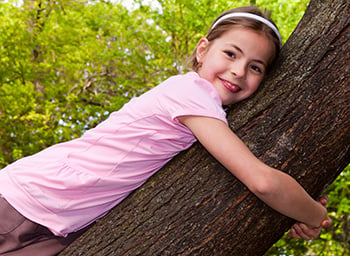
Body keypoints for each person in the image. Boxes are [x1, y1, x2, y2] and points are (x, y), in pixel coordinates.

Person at [0, 5, 331, 256]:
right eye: (230, 53)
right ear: (202, 51)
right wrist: (315, 214)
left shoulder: (209, 113)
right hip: (24, 202)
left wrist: (296, 206)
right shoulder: (191, 94)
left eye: (255, 67)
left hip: (58, 223)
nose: (238, 71)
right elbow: (261, 181)